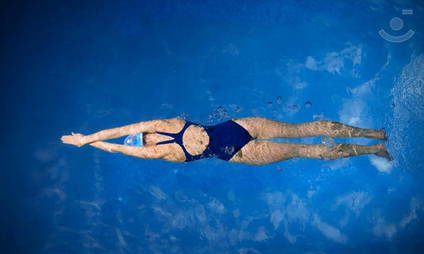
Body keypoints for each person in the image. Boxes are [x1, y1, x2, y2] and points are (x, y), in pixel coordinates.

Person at [60, 117, 392, 165]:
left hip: (236, 151)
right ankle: (376, 136)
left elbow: (118, 145)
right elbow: (119, 133)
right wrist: (89, 138)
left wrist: (88, 142)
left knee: (309, 150)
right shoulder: (164, 123)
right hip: (237, 128)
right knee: (305, 131)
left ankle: (375, 148)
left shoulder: (159, 155)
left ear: (141, 144)